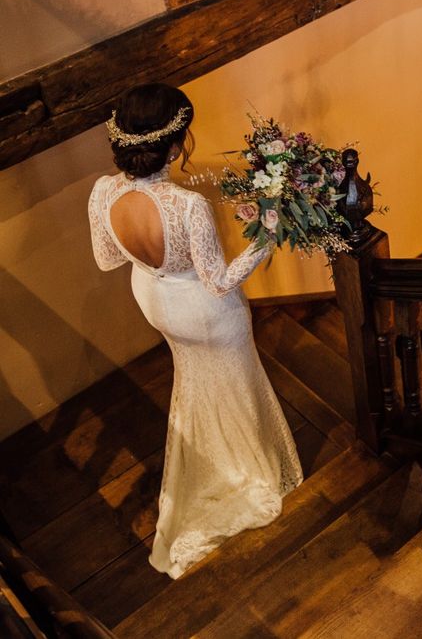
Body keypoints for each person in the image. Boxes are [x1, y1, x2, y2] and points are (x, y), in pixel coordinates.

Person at [88, 83, 303, 579]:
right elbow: (219, 279)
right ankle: (252, 470)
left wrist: (153, 262)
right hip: (207, 312)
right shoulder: (186, 206)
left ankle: (213, 455)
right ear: (173, 145)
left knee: (194, 378)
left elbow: (106, 259)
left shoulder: (103, 192)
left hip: (157, 303)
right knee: (236, 380)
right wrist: (269, 231)